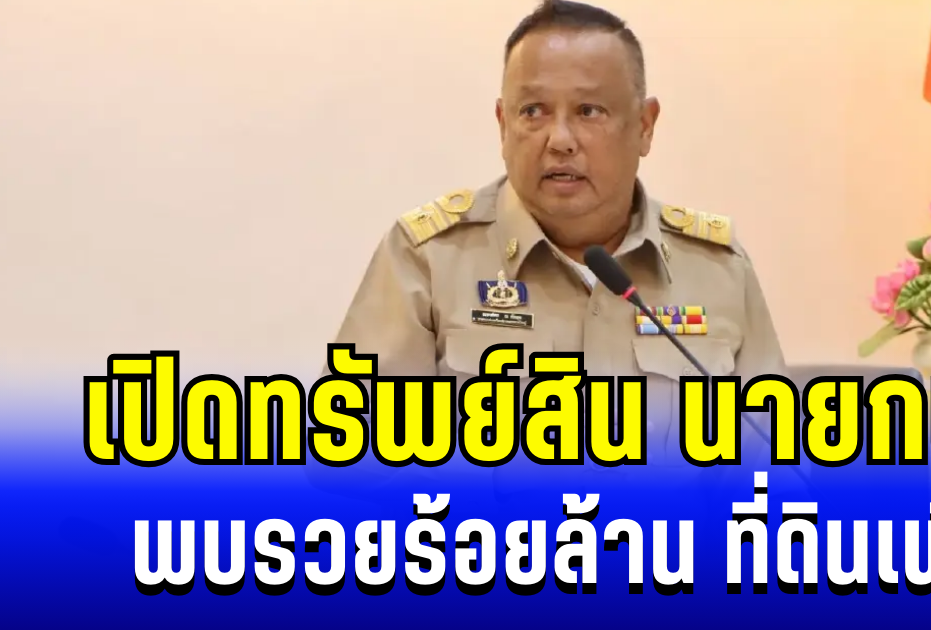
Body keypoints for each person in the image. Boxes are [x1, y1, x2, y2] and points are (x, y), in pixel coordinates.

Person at [327, 0, 790, 475]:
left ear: (645, 126)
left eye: (589, 111)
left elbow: (773, 471)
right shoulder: (429, 259)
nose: (560, 139)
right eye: (533, 111)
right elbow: (347, 463)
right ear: (503, 124)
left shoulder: (718, 271)